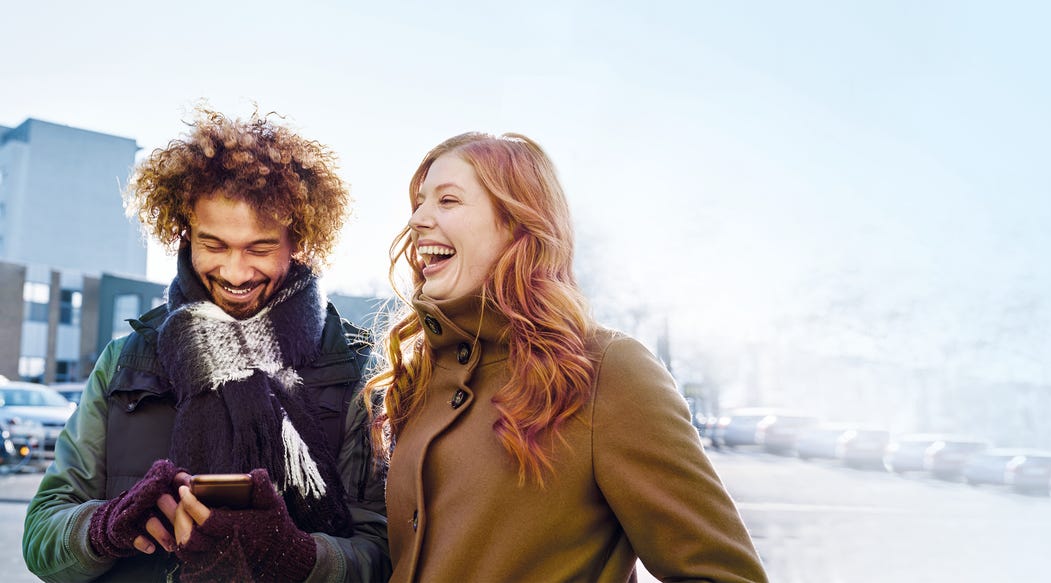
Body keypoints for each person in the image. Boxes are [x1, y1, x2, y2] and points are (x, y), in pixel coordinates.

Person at [364, 132, 768, 582]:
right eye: (419, 203)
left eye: (448, 201)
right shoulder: (419, 376)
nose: (418, 219)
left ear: (517, 222)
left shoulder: (607, 371)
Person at [23, 108, 389, 582]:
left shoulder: (355, 373)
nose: (236, 273)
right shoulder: (124, 362)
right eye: (214, 245)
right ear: (183, 235)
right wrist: (104, 529)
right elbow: (40, 536)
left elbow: (383, 555)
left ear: (297, 241)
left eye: (259, 248)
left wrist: (298, 556)